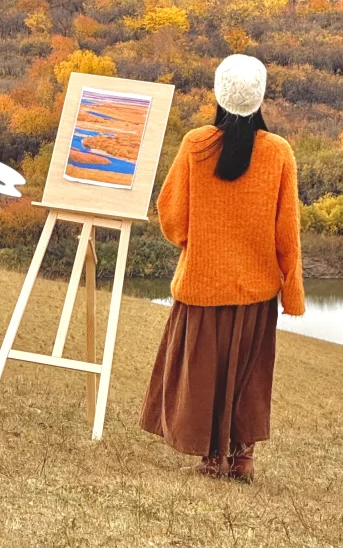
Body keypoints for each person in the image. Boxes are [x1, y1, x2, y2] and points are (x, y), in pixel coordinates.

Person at [140, 54, 304, 481]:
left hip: (202, 283)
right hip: (257, 289)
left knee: (202, 374)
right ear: (260, 97)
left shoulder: (196, 144)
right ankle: (243, 457)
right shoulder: (279, 152)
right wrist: (293, 292)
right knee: (248, 375)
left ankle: (212, 457)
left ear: (218, 94)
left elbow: (172, 216)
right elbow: (288, 230)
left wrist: (201, 243)